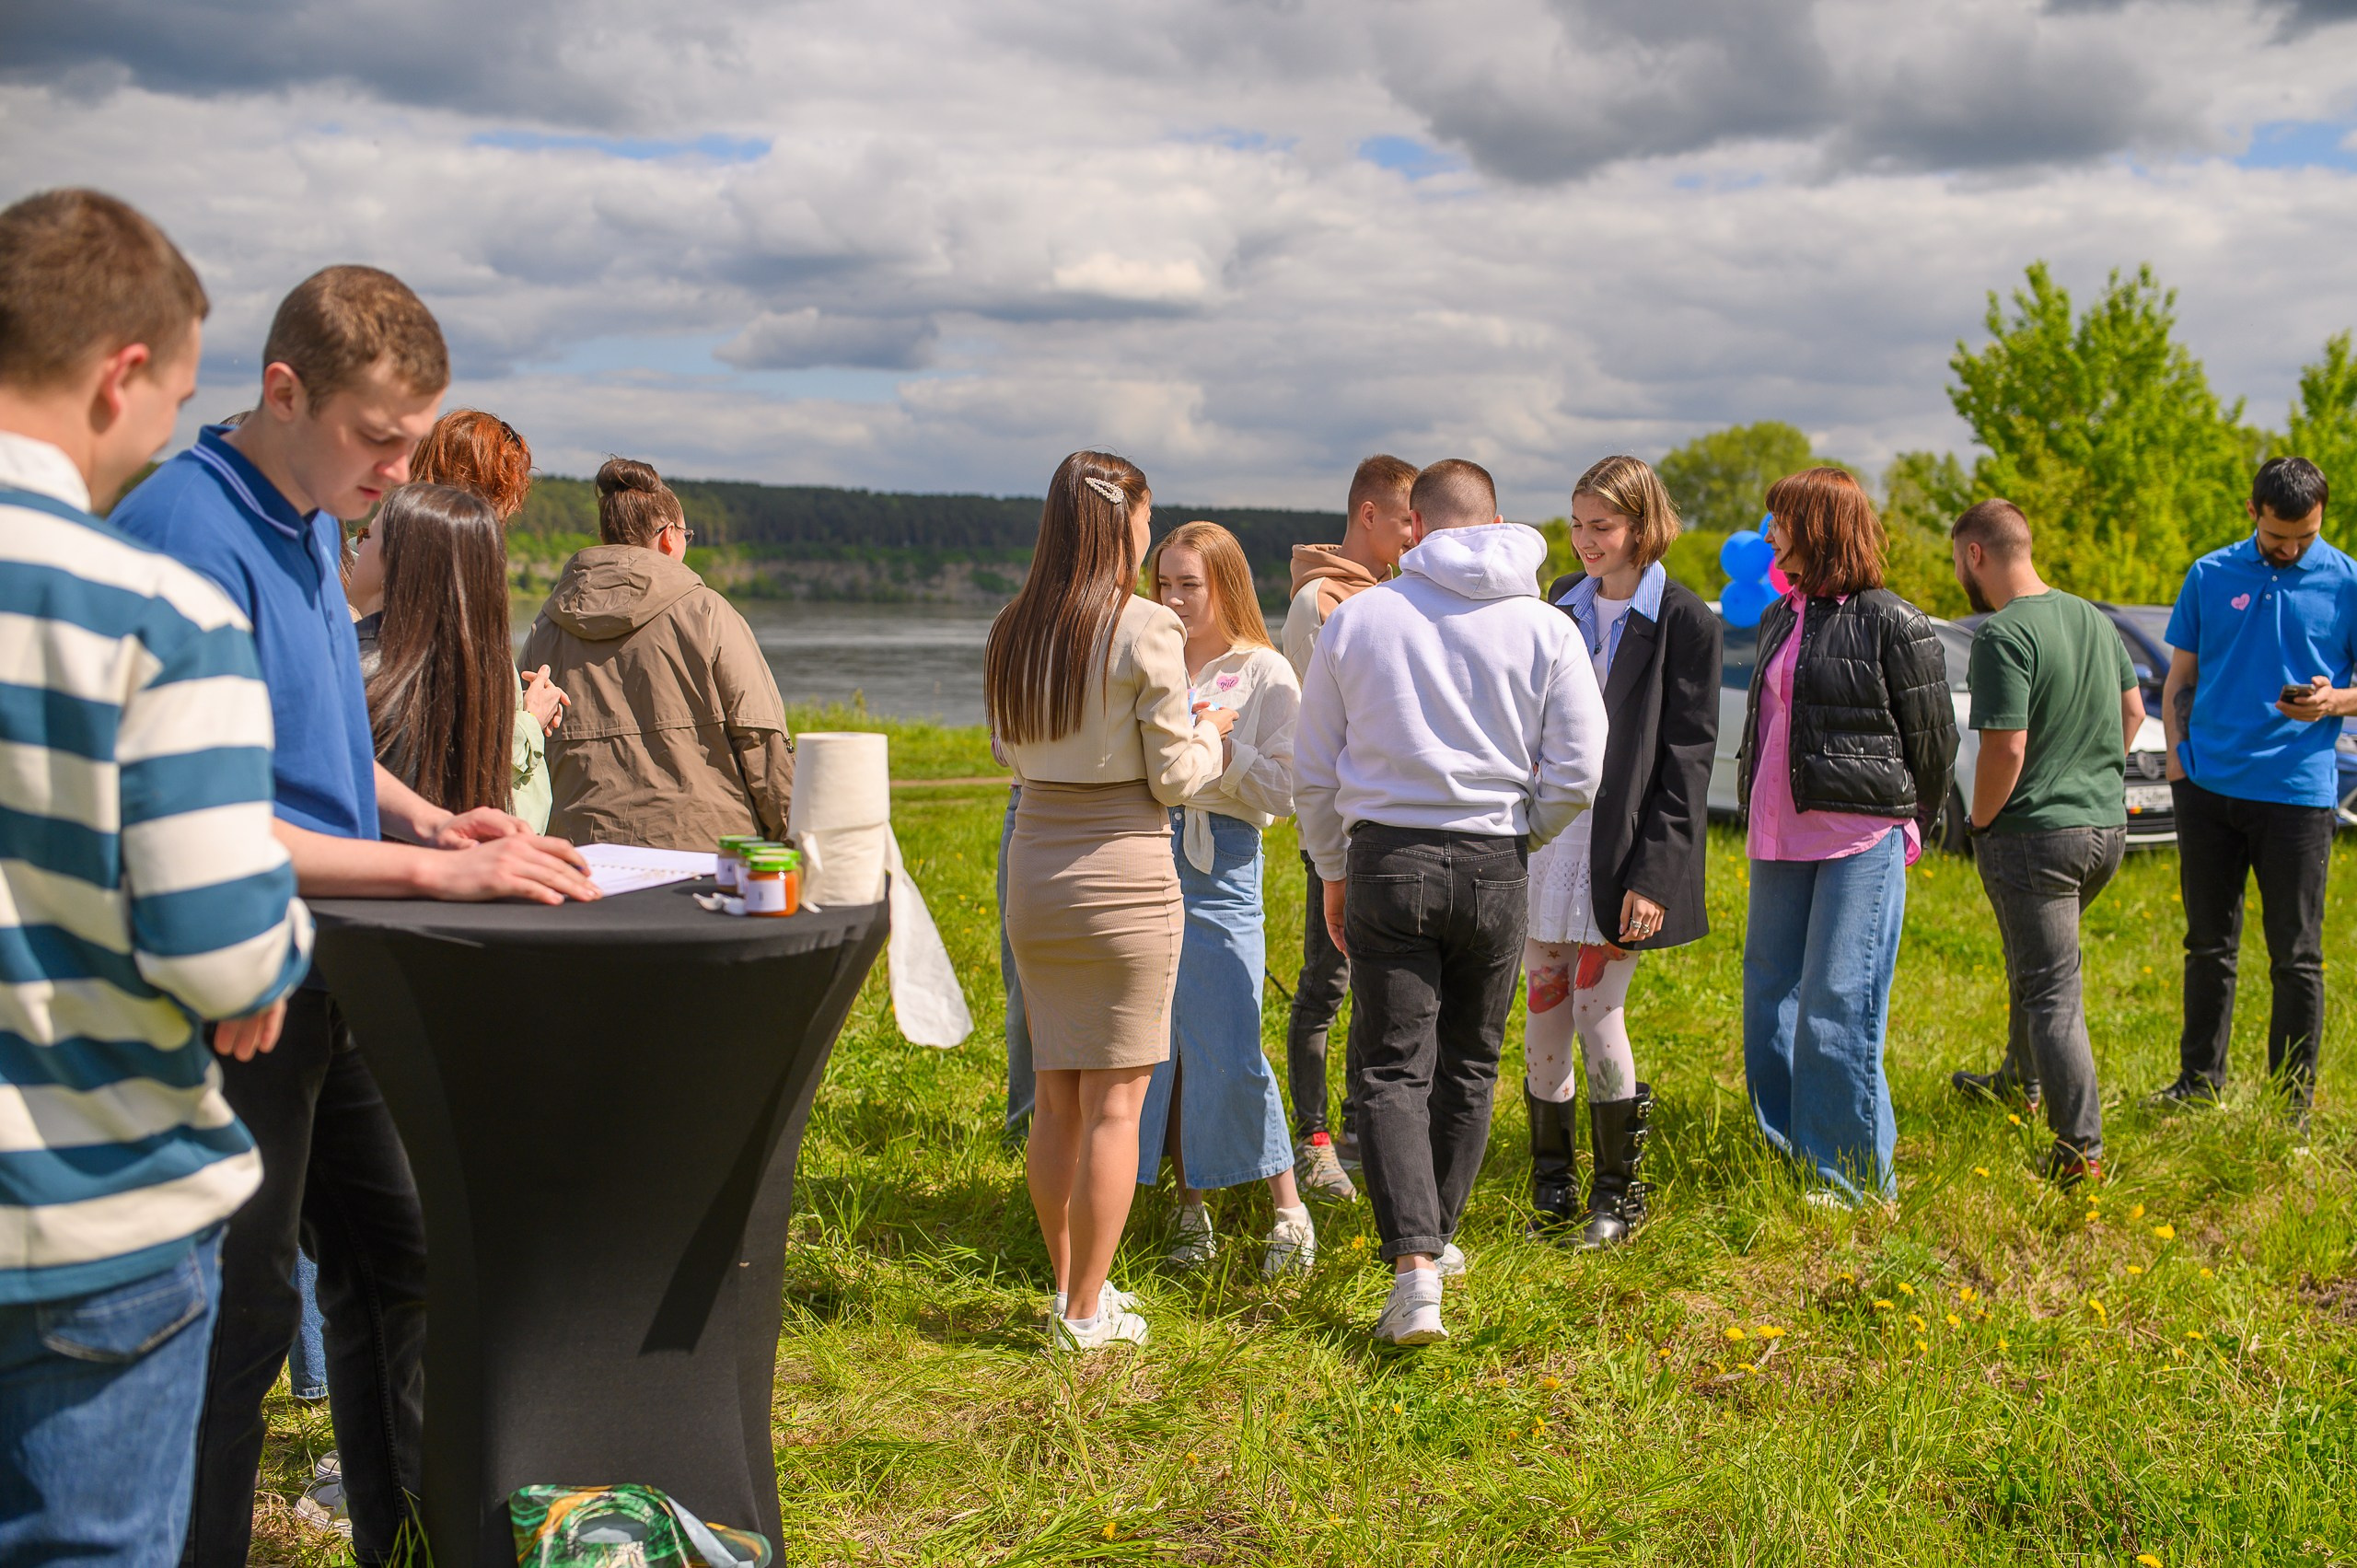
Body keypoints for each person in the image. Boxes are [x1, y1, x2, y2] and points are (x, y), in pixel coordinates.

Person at [111, 262, 598, 1568]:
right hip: (236, 990)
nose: (400, 467)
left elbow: (316, 739)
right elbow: (196, 812)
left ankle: (413, 1541)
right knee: (236, 1317)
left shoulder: (319, 513)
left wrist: (432, 820)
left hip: (346, 973)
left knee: (413, 1251)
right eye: (379, 436)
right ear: (283, 390)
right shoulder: (184, 532)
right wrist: (441, 876)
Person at [0, 187, 314, 1568]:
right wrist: (270, 941)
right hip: (90, 1206)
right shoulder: (153, 615)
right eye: (174, 395)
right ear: (121, 373)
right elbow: (223, 943)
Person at [1295, 459, 1606, 1346]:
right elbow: (1581, 767)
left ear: (1419, 528)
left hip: (1388, 854)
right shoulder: (1547, 628)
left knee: (1391, 1066)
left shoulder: (1359, 619)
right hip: (1495, 856)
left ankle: (1416, 1266)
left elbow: (1314, 768)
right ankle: (1438, 1234)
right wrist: (1521, 833)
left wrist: (1332, 867)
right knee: (1470, 1059)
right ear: (1499, 522)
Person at [989, 452, 1229, 1352]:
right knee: (1116, 1102)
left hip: (1035, 865)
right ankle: (1086, 1312)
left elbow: (1007, 750)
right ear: (1122, 519)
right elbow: (1172, 779)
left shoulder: (1012, 626)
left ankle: (1069, 1287)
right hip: (1123, 865)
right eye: (1146, 517)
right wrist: (1209, 731)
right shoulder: (1146, 627)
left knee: (1057, 1093)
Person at [1736, 468, 1956, 1210]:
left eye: (1781, 521)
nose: (1769, 535)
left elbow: (1933, 740)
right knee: (1769, 995)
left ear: (1819, 527)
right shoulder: (1780, 614)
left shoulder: (1893, 620)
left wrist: (1910, 822)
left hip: (1861, 836)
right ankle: (1791, 1146)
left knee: (1839, 998)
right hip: (1778, 831)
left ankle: (1855, 1180)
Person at [1526, 456, 1719, 1247]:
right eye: (1576, 524)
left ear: (1641, 525)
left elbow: (1688, 759)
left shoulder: (1684, 618)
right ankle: (1551, 1188)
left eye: (1600, 526)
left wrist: (1656, 876)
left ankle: (1618, 1197)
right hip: (1548, 838)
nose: (1583, 541)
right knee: (1542, 1004)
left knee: (1597, 1006)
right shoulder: (1556, 607)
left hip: (1625, 850)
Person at [2153, 456, 2357, 1132]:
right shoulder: (2210, 573)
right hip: (2208, 787)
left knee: (2295, 955)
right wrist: (2181, 767)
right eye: (2278, 537)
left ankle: (2289, 1105)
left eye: (2306, 535)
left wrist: (2335, 702)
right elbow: (2181, 672)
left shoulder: (2347, 579)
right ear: (2252, 512)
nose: (2292, 548)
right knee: (2208, 944)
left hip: (2298, 794)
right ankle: (2197, 1081)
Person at [1944, 500, 2143, 1186]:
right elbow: (2134, 710)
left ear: (1976, 555)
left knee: (2052, 988)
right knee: (2036, 964)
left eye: (1956, 561)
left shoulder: (2004, 634)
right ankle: (2017, 1081)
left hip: (2035, 835)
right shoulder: (2092, 617)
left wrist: (1981, 821)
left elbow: (2006, 746)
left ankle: (2078, 1150)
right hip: (2104, 829)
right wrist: (2091, 779)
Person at [1134, 521, 1315, 1275]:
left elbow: (1289, 788)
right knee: (1159, 1043)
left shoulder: (1265, 671)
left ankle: (1288, 1208)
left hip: (1221, 858)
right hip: (1146, 850)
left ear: (1225, 586)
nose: (1173, 599)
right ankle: (1190, 1207)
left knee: (1231, 1038)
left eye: (1189, 584)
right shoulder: (1148, 655)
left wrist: (1223, 748)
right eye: (1163, 583)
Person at [521, 458, 795, 851]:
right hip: (703, 854)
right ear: (669, 536)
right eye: (687, 534)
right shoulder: (708, 613)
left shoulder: (545, 628)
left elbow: (523, 745)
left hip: (579, 855)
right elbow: (761, 739)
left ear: (603, 535)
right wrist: (789, 838)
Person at [1278, 454, 1419, 1202]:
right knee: (1326, 982)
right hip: (1335, 827)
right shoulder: (1318, 603)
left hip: (1389, 821)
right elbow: (1311, 731)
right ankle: (1313, 1137)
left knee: (1381, 984)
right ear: (1369, 515)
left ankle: (1370, 1127)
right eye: (1404, 518)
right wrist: (1322, 837)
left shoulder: (1392, 592)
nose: (1415, 531)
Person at [405, 408, 568, 830]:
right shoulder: (451, 578)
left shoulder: (374, 560)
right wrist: (531, 715)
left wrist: (508, 692)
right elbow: (479, 747)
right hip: (479, 834)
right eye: (502, 494)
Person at [366, 483, 528, 818]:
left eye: (367, 536)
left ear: (395, 565)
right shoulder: (483, 670)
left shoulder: (355, 664)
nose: (357, 545)